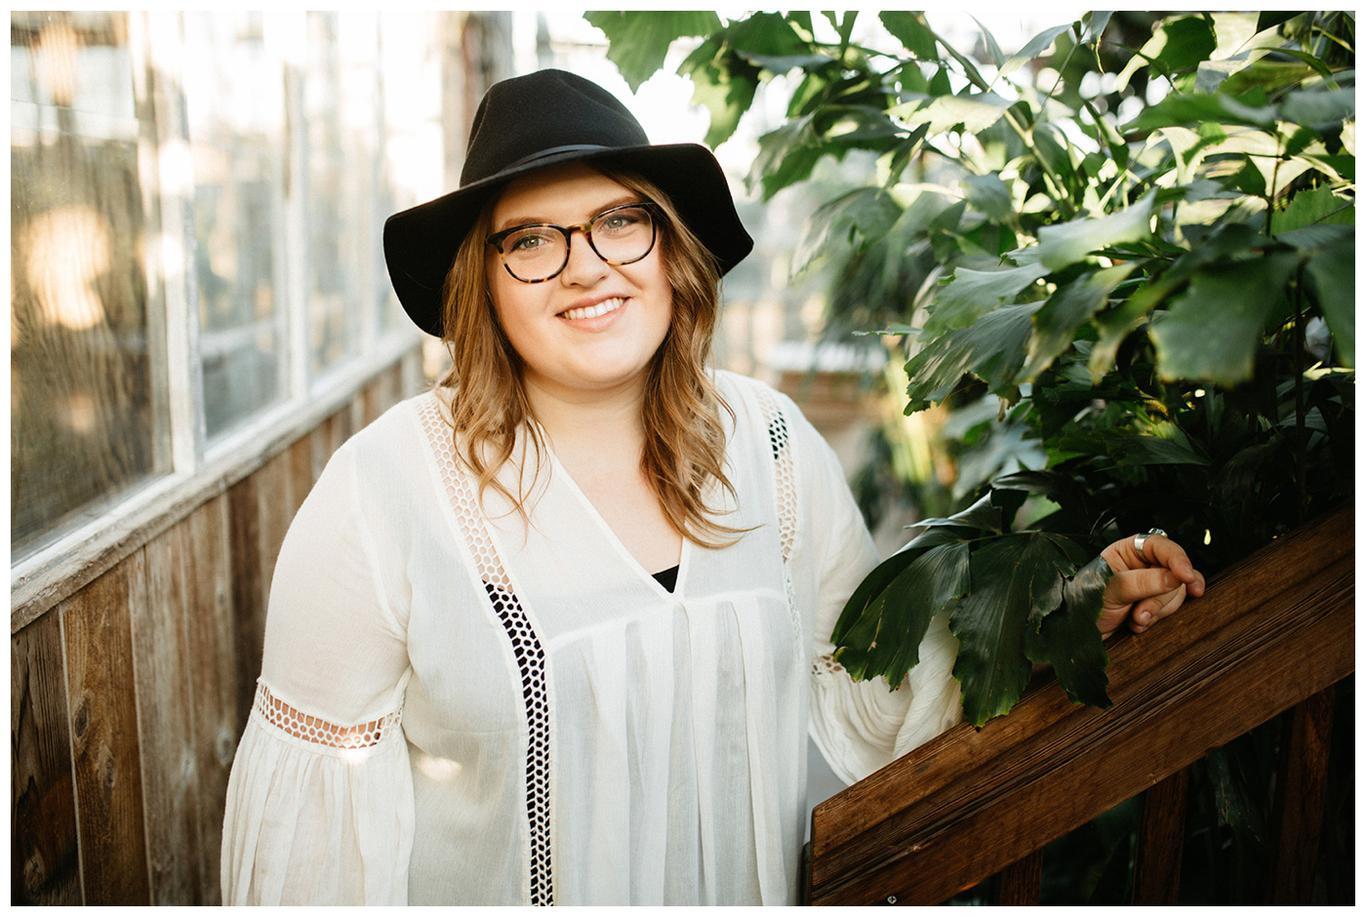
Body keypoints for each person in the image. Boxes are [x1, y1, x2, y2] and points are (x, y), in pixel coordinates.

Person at [219, 68, 1205, 906]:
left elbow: (875, 690)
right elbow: (313, 848)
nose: (585, 268)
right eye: (530, 239)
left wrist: (1062, 615)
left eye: (621, 221)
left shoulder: (768, 445)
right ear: (482, 279)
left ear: (672, 250)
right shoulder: (383, 494)